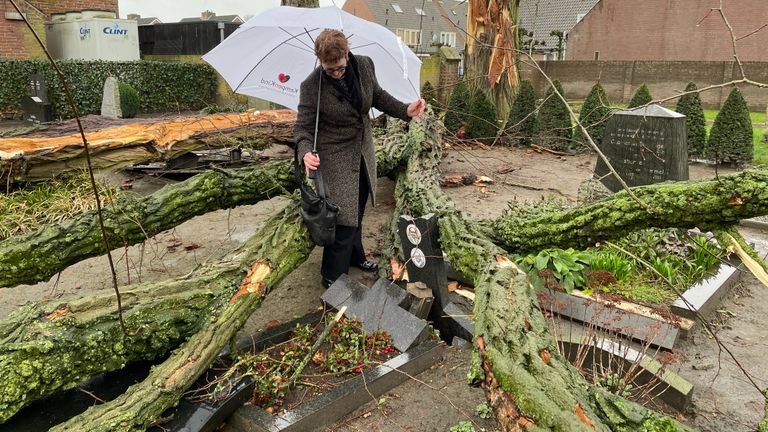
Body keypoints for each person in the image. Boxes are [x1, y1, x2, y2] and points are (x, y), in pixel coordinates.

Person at [295, 29, 425, 289]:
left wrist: (405, 110)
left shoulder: (365, 65)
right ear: (320, 60)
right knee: (342, 220)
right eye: (329, 69)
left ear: (347, 53)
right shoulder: (312, 86)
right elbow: (302, 127)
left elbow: (377, 96)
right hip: (334, 157)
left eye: (340, 67)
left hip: (363, 151)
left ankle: (357, 257)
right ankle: (333, 278)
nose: (336, 73)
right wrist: (305, 151)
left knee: (358, 209)